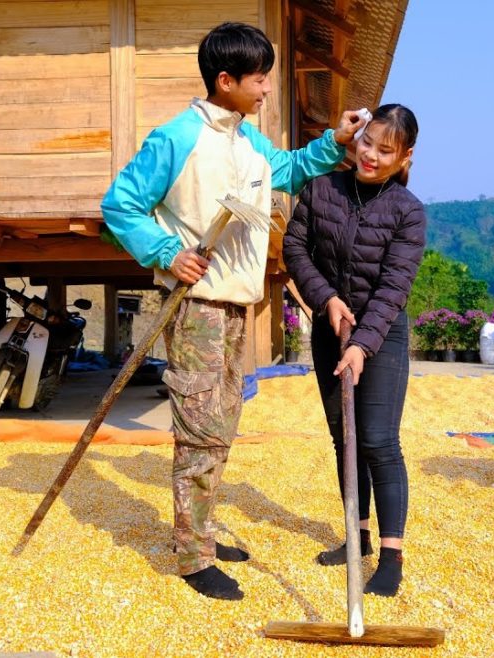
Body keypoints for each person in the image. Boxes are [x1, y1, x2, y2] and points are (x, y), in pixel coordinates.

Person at [100, 22, 364, 601]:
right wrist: (167, 252)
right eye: (259, 79)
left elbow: (286, 170)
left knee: (221, 425)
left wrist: (336, 141)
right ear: (226, 80)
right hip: (195, 306)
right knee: (199, 429)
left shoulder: (248, 142)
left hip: (238, 305)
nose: (267, 89)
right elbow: (120, 204)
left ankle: (202, 531)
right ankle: (193, 557)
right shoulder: (177, 138)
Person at [282, 104, 425, 597]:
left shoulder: (407, 211)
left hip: (380, 335)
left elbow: (394, 285)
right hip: (331, 328)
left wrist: (363, 343)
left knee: (378, 440)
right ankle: (356, 536)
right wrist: (326, 299)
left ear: (404, 156)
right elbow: (294, 248)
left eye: (386, 150)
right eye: (367, 143)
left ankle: (391, 555)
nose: (371, 156)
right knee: (345, 439)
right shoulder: (322, 188)